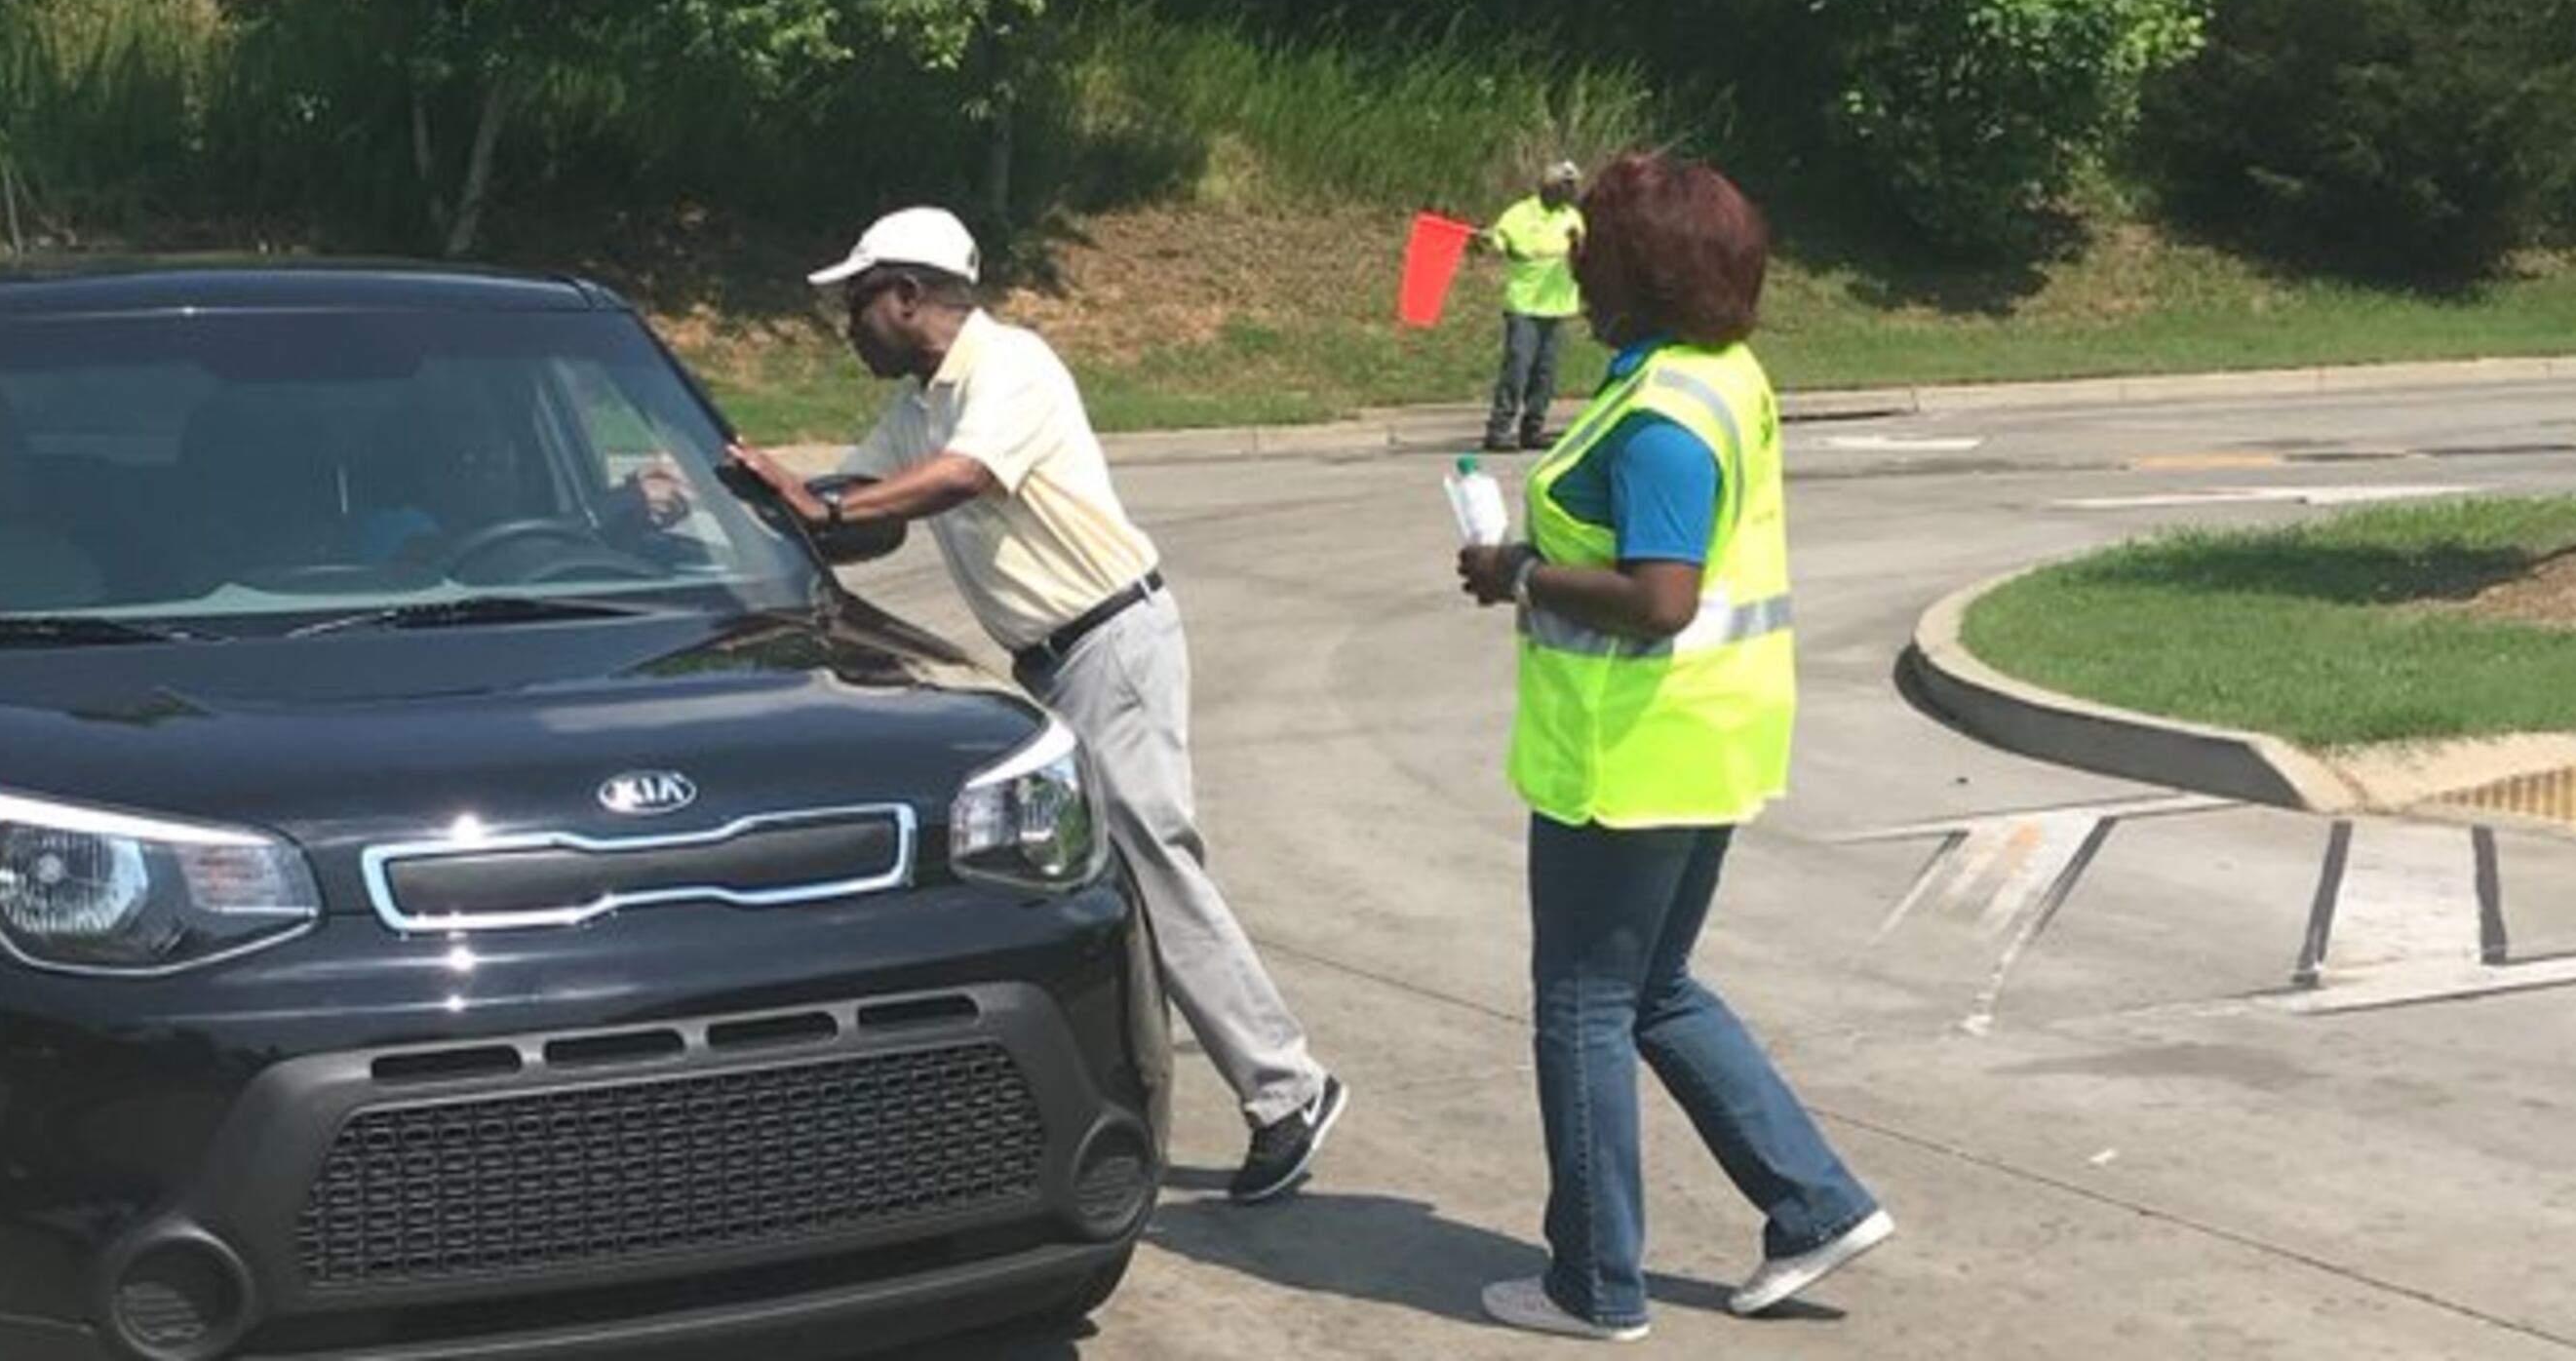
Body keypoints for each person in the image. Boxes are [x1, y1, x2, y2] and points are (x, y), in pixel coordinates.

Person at [726, 205, 1351, 1204]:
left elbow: (958, 479)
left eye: (857, 302)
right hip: (1056, 664)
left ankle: (1287, 1090)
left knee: (1151, 865)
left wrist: (833, 505)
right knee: (1101, 874)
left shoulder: (1009, 367)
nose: (848, 323)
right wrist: (752, 499)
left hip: (1113, 639)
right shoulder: (922, 404)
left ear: (908, 295)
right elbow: (860, 515)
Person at [1449, 151, 1891, 1341]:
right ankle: (1813, 1203)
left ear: (1639, 271)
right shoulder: (1721, 375)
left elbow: (1660, 597)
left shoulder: (1659, 421)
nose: (1577, 260)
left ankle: (1593, 1285)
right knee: (1656, 992)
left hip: (1630, 754)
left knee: (1584, 1009)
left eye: (1594, 244)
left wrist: (1520, 572)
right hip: (1711, 735)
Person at [1479, 162, 1590, 452]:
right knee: (1518, 367)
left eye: (1573, 185)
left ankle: (1533, 428)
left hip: (1556, 305)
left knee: (1545, 372)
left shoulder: (1572, 217)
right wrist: (1498, 244)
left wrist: (1577, 247)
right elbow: (1498, 241)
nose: (1570, 190)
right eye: (1565, 184)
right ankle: (1499, 429)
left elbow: (1582, 259)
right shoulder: (1520, 214)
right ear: (1548, 185)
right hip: (1525, 305)